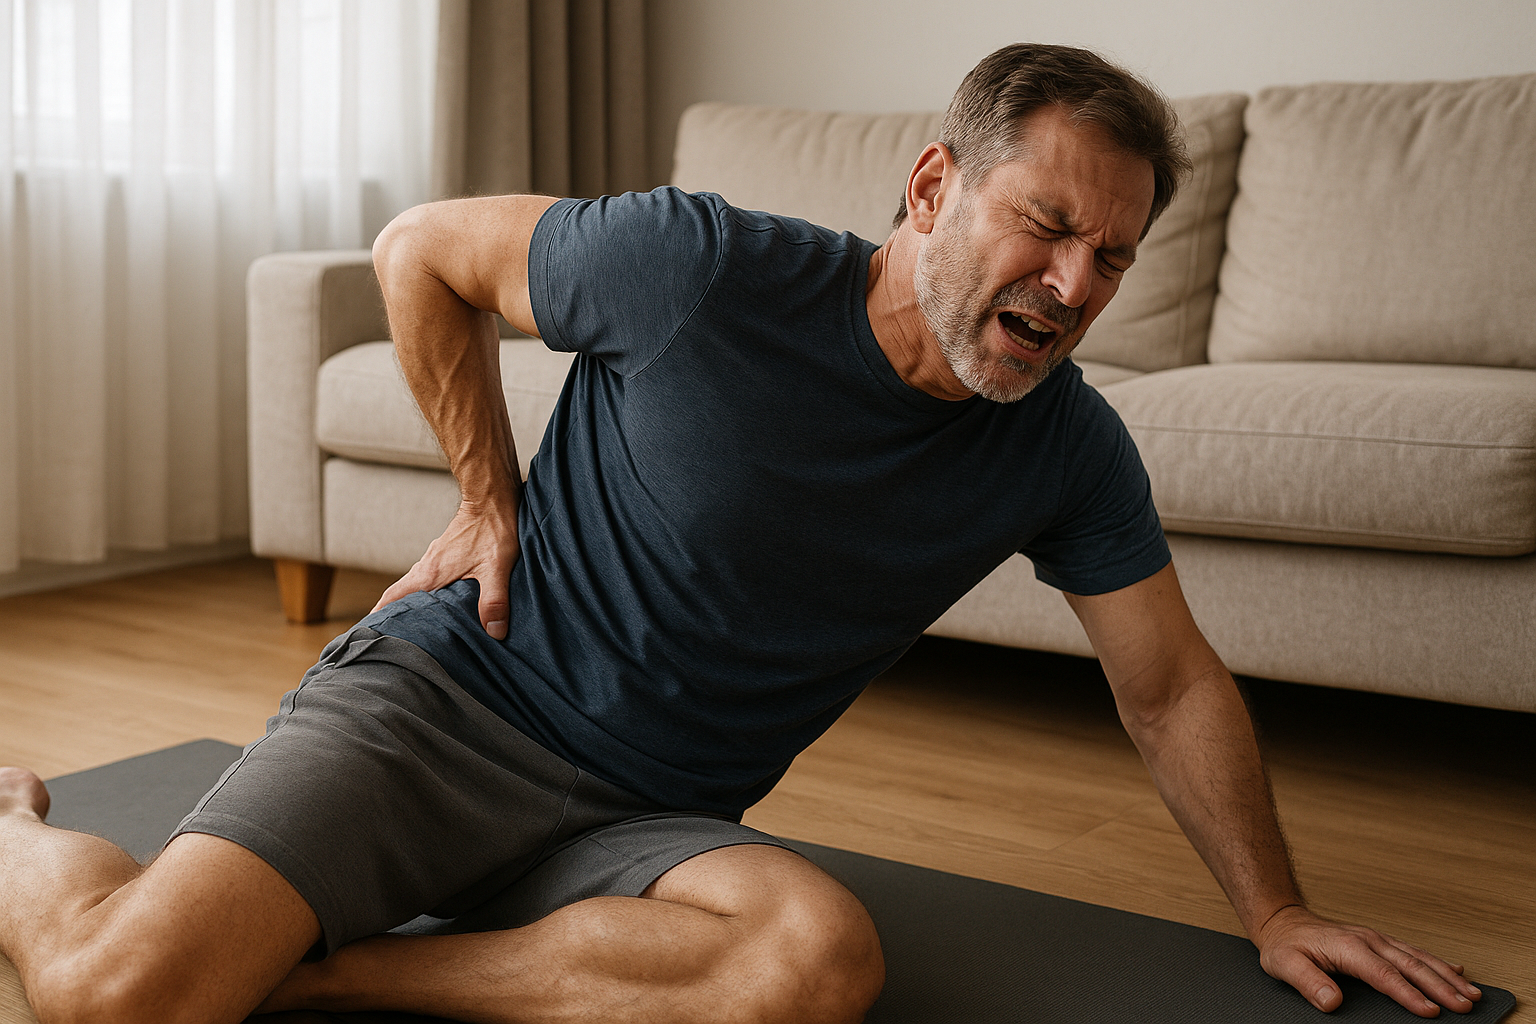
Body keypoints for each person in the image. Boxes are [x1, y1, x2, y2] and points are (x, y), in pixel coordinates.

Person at [0, 43, 1482, 1024]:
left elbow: (1168, 684)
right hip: (449, 706)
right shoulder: (698, 267)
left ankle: (331, 978)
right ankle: (9, 833)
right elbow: (418, 253)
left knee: (814, 961)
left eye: (1111, 257)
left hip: (642, 822)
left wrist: (1276, 910)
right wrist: (483, 497)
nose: (1075, 284)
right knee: (113, 996)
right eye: (1045, 224)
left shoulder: (1063, 442)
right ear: (931, 189)